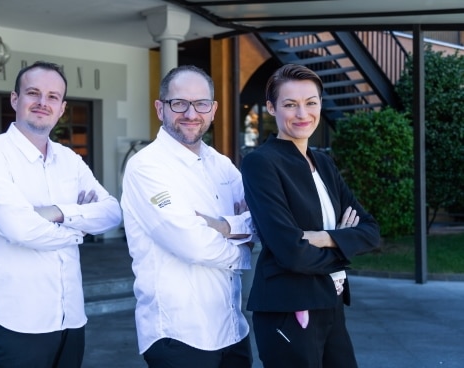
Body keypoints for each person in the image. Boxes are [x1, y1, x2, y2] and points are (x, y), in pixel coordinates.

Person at [0, 61, 122, 368]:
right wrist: (81, 226)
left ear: (62, 108)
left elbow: (112, 212)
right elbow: (20, 229)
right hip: (10, 323)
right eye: (33, 93)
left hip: (70, 319)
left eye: (52, 97)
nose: (42, 102)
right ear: (15, 99)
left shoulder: (70, 159)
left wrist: (56, 213)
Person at [240, 63, 381, 368]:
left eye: (311, 103)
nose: (303, 114)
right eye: (290, 104)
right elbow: (291, 252)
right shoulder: (261, 163)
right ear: (271, 108)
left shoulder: (324, 163)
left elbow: (370, 230)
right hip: (288, 309)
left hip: (330, 303)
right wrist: (344, 245)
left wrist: (327, 238)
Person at [121, 64, 257, 368]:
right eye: (179, 103)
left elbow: (260, 219)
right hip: (178, 334)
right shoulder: (147, 167)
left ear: (213, 109)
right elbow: (191, 243)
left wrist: (220, 225)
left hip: (232, 329)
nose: (191, 113)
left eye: (201, 104)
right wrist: (242, 248)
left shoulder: (222, 165)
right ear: (160, 108)